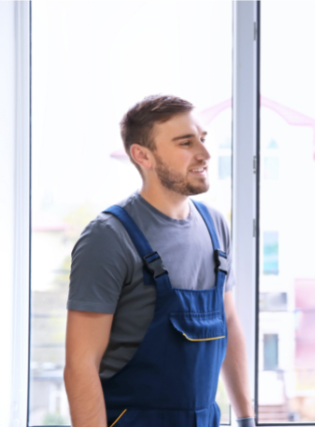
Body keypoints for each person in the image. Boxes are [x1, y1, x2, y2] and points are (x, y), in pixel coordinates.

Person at [64, 95, 255, 427]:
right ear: (142, 155)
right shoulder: (108, 237)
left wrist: (246, 418)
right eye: (186, 143)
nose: (206, 155)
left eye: (203, 140)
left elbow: (229, 321)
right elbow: (81, 365)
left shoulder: (215, 227)